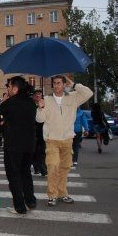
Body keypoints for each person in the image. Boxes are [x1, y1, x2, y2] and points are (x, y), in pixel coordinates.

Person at [36, 76, 93, 206]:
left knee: (64, 168)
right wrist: (40, 108)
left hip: (68, 139)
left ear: (64, 84)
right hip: (52, 140)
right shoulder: (47, 99)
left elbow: (89, 93)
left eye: (59, 83)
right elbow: (39, 119)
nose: (56, 86)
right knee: (53, 166)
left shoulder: (73, 97)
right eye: (54, 83)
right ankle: (52, 195)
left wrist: (74, 85)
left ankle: (62, 193)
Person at [0, 76, 37, 214]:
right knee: (26, 173)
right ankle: (30, 201)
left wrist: (4, 102)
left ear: (15, 88)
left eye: (9, 87)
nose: (7, 89)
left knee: (14, 175)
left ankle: (19, 207)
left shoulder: (10, 102)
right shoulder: (31, 102)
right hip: (29, 144)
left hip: (14, 145)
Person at [32, 90, 47, 177]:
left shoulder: (45, 105)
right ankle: (37, 168)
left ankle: (43, 169)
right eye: (36, 94)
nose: (38, 96)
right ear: (33, 96)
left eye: (39, 94)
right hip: (33, 131)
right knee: (34, 151)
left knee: (42, 151)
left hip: (43, 131)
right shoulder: (31, 105)